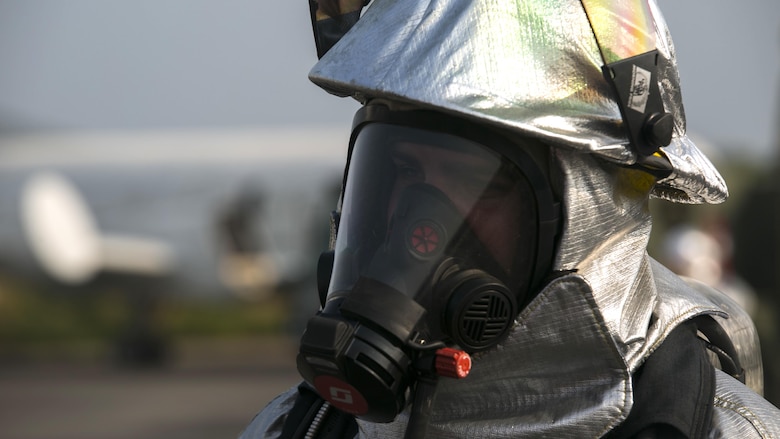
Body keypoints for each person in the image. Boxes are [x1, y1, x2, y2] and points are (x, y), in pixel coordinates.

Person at [241, 0, 780, 437]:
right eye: (401, 171)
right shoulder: (300, 427)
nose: (418, 227)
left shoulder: (724, 430)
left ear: (586, 212)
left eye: (479, 186)